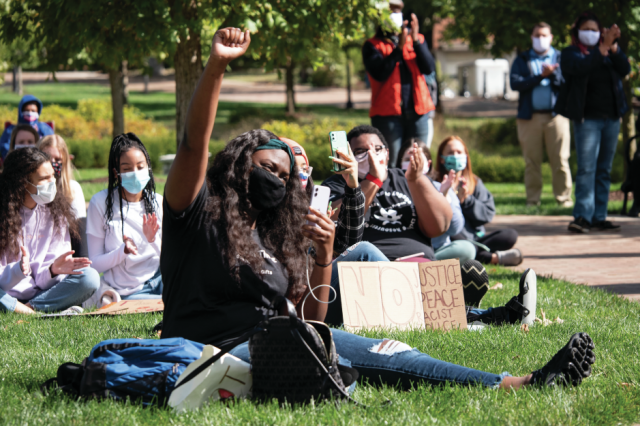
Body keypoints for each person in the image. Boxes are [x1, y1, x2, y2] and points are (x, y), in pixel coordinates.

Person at [160, 28, 595, 391]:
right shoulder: (197, 212)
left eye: (287, 176)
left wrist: (325, 257)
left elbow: (315, 323)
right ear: (240, 165)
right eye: (268, 168)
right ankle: (324, 375)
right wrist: (216, 65)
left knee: (388, 349)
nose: (279, 179)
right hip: (213, 351)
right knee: (296, 346)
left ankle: (514, 382)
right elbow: (193, 143)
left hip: (284, 341)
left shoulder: (274, 239)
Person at [323, 125, 452, 261]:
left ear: (387, 153)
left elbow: (440, 226)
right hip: (365, 264)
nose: (371, 154)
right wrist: (373, 180)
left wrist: (417, 180)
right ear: (349, 156)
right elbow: (334, 223)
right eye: (361, 151)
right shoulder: (337, 183)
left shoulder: (408, 177)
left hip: (417, 261)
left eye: (377, 149)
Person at [555, 12, 631, 233]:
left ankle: (599, 216)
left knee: (603, 170)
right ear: (577, 32)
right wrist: (602, 47)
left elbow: (625, 69)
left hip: (611, 118)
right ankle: (582, 216)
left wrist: (613, 47)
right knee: (587, 169)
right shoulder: (571, 53)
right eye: (586, 29)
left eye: (595, 30)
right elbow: (580, 68)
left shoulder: (609, 52)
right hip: (587, 119)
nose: (591, 33)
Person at [0, 148, 99, 314]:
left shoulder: (55, 213)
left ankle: (29, 310)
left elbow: (44, 280)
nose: (52, 182)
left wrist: (52, 270)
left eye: (53, 176)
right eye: (44, 178)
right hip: (6, 294)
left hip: (42, 293)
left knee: (89, 278)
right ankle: (33, 312)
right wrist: (17, 271)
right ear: (23, 182)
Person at [85, 133, 163, 307]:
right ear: (116, 172)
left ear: (148, 167)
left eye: (140, 167)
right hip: (126, 291)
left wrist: (153, 240)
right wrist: (123, 252)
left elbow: (173, 260)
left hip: (160, 282)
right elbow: (95, 264)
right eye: (127, 169)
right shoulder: (100, 203)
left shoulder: (158, 202)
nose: (135, 173)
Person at [363, 1, 436, 165]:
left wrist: (415, 40)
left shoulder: (417, 40)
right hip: (387, 116)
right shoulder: (372, 45)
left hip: (418, 113)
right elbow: (380, 73)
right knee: (390, 163)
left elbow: (429, 67)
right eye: (390, 10)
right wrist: (398, 48)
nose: (395, 14)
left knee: (418, 162)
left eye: (398, 10)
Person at [510, 22, 573, 208]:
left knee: (561, 159)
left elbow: (567, 83)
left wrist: (552, 75)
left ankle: (564, 200)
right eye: (537, 35)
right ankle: (533, 201)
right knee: (532, 162)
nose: (541, 39)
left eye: (544, 35)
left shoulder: (560, 57)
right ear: (531, 37)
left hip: (557, 117)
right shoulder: (522, 59)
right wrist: (540, 77)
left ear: (551, 37)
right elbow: (516, 84)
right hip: (529, 118)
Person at [434, 136, 522, 266]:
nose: (455, 156)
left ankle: (475, 254)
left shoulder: (474, 182)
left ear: (466, 156)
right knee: (450, 231)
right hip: (452, 238)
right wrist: (448, 198)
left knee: (510, 235)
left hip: (476, 238)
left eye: (459, 152)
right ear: (441, 158)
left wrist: (467, 201)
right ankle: (488, 257)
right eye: (450, 153)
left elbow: (488, 214)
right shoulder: (435, 183)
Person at [397, 138, 477, 263]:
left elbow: (455, 229)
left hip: (435, 252)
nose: (413, 163)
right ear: (399, 164)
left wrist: (443, 197)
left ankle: (426, 265)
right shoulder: (391, 190)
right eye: (408, 160)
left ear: (428, 165)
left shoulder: (441, 187)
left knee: (467, 249)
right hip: (401, 252)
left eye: (418, 159)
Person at [37, 135, 86, 218]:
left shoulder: (72, 189)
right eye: (47, 157)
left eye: (57, 159)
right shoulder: (29, 189)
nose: (52, 163)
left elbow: (80, 226)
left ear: (64, 161)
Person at [1, 95, 54, 160]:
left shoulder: (45, 129)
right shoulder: (10, 130)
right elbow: (4, 147)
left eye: (33, 111)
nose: (30, 113)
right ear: (21, 111)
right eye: (27, 110)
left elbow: (52, 146)